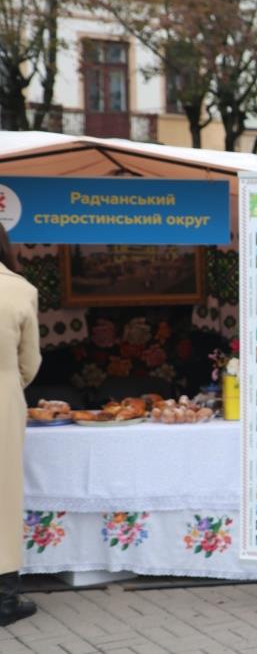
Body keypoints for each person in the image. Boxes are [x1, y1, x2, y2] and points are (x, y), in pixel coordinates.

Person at [0, 224, 42, 626]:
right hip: (2, 401)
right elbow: (30, 363)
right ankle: (4, 598)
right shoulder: (20, 289)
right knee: (3, 493)